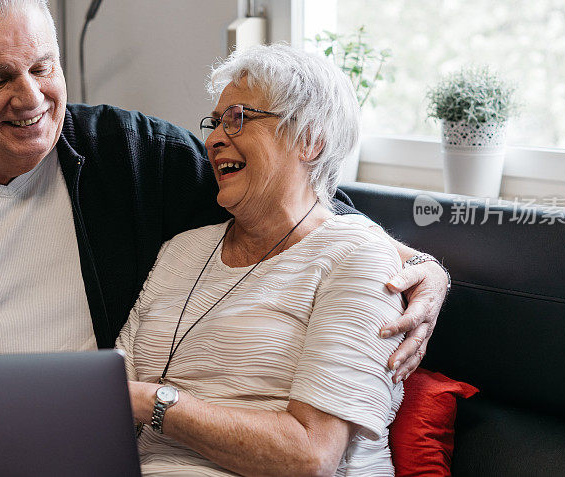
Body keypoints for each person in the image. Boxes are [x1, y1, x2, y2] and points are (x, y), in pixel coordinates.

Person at [0, 0, 448, 474]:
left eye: (43, 66)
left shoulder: (132, 154)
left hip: (93, 453)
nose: (29, 98)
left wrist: (418, 265)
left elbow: (290, 198)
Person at [117, 44, 407, 476]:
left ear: (308, 140)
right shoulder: (182, 251)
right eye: (214, 123)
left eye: (237, 119)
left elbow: (311, 455)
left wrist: (153, 402)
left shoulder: (357, 255)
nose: (214, 139)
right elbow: (111, 398)